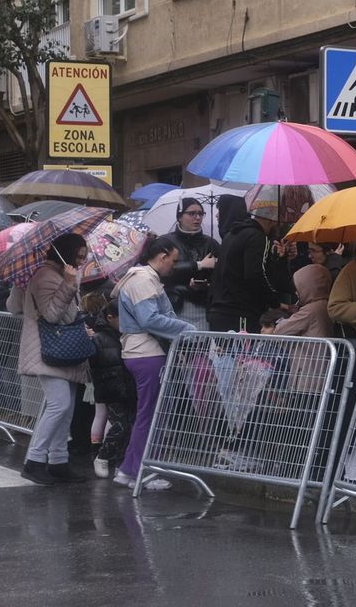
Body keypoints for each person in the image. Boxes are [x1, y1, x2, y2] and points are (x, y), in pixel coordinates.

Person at [115, 236, 196, 491]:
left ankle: (130, 470)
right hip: (146, 353)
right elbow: (150, 319)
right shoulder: (144, 280)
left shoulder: (140, 278)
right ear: (161, 256)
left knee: (148, 414)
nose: (174, 266)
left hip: (141, 352)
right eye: (172, 261)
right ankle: (140, 471)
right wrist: (187, 328)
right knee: (150, 415)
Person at [11, 233, 91, 486]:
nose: (82, 260)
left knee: (65, 407)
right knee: (59, 404)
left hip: (60, 349)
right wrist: (69, 284)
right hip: (48, 349)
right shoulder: (46, 276)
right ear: (65, 252)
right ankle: (34, 461)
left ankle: (58, 461)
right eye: (79, 255)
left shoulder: (59, 274)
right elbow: (52, 314)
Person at [208, 192, 291, 332]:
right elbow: (255, 274)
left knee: (225, 354)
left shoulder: (231, 234)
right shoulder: (257, 237)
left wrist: (277, 259)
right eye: (281, 219)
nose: (282, 224)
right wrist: (275, 302)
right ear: (271, 219)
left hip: (218, 310)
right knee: (244, 354)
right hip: (241, 311)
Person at [83, 293, 137, 480]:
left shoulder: (128, 335)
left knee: (128, 425)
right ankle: (102, 455)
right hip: (111, 387)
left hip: (128, 385)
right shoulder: (98, 338)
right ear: (110, 317)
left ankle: (115, 460)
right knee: (120, 425)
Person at [161, 196, 221, 330]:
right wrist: (199, 265)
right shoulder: (166, 241)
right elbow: (163, 271)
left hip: (203, 305)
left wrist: (206, 285)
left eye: (200, 213)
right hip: (175, 303)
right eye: (192, 213)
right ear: (180, 216)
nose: (197, 217)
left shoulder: (211, 243)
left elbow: (221, 275)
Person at [266, 264, 332, 338]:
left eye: (299, 288)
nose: (296, 292)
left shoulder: (310, 310)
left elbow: (280, 331)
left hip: (308, 349)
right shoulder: (326, 304)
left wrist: (282, 321)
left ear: (308, 287)